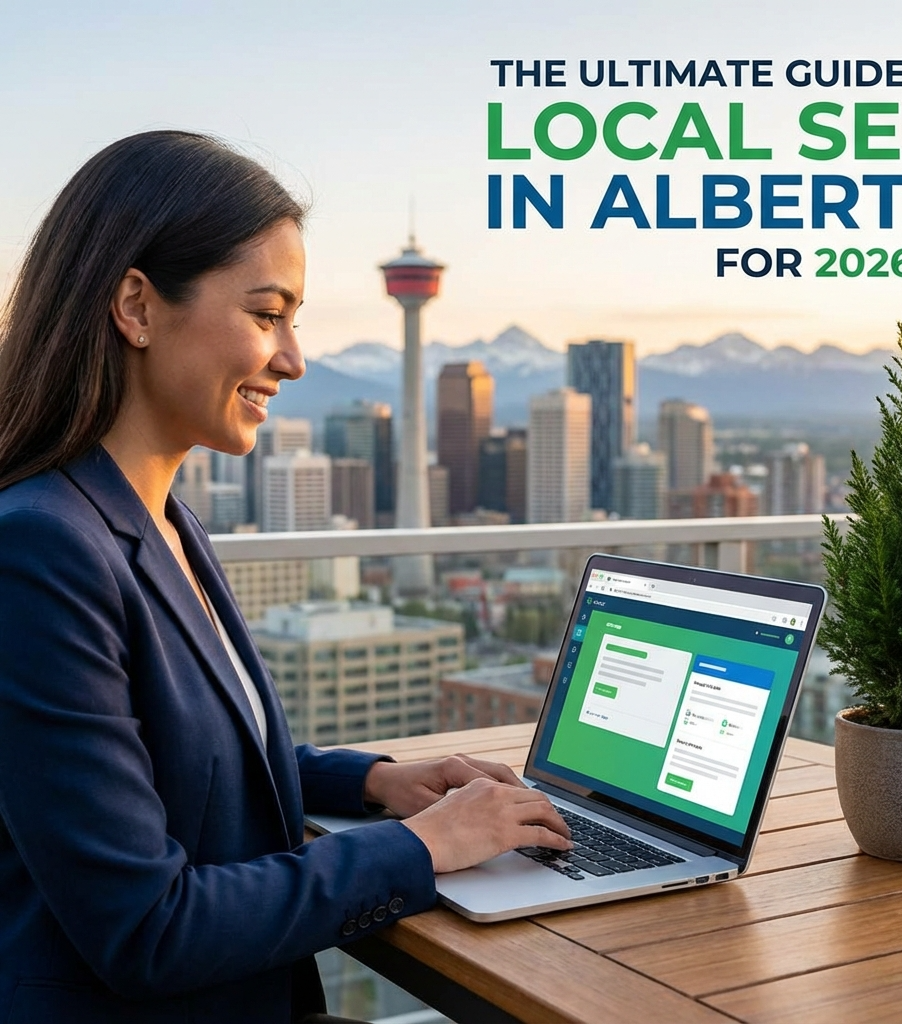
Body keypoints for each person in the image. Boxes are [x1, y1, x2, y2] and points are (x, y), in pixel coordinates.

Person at [0, 130, 572, 1024]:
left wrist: (378, 783)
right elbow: (147, 927)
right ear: (136, 307)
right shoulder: (41, 551)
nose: (294, 360)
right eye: (268, 316)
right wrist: (423, 848)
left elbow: (177, 763)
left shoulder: (162, 520)